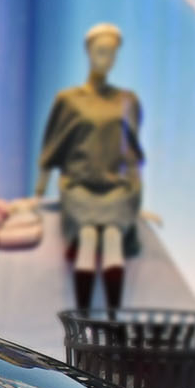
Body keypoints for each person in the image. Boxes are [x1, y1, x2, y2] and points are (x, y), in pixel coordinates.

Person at [19, 22, 143, 315]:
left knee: (112, 236)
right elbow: (53, 145)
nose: (106, 59)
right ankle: (84, 318)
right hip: (80, 187)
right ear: (89, 52)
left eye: (112, 53)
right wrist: (38, 192)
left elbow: (132, 153)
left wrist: (136, 198)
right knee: (88, 236)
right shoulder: (70, 100)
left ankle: (113, 321)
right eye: (101, 52)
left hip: (115, 189)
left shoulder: (126, 100)